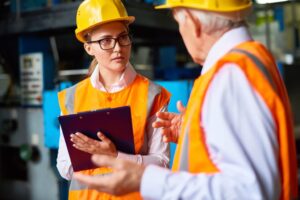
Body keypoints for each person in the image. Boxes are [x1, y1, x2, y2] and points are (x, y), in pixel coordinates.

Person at [73, 0, 299, 199]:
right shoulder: (252, 59)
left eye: (179, 23)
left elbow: (250, 192)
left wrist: (146, 180)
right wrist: (196, 131)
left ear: (193, 22)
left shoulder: (230, 75)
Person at [56, 0, 171, 199]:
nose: (118, 48)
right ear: (88, 48)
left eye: (122, 37)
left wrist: (115, 156)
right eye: (106, 41)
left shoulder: (153, 94)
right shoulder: (72, 97)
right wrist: (100, 155)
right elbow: (64, 167)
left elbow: (161, 162)